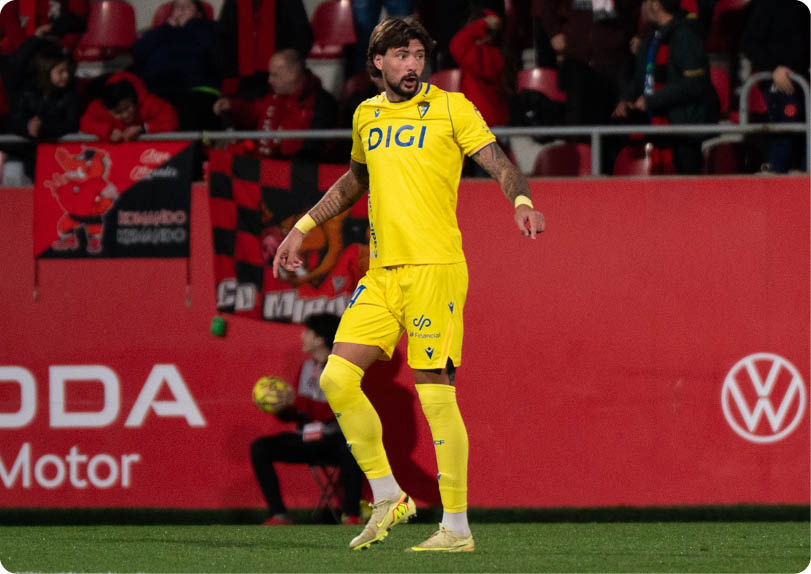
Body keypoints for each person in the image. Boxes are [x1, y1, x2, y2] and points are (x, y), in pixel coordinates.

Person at [272, 17, 544, 552]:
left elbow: (499, 163)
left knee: (435, 395)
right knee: (336, 380)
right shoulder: (366, 115)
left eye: (419, 54)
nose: (412, 64)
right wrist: (303, 227)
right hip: (382, 274)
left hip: (433, 269)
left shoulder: (451, 107)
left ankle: (457, 527)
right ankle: (387, 494)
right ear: (377, 63)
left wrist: (521, 201)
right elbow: (356, 180)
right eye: (401, 56)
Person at [250, 313, 363, 526]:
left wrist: (298, 402)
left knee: (354, 448)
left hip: (334, 439)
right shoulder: (306, 368)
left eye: (308, 332)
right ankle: (279, 514)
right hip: (306, 439)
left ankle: (351, 514)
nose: (303, 336)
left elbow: (335, 410)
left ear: (320, 339)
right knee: (260, 447)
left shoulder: (342, 368)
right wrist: (281, 408)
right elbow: (299, 413)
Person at [612, 0, 719, 174]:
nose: (642, 7)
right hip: (659, 126)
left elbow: (695, 83)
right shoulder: (653, 37)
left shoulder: (686, 35)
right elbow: (641, 78)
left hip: (685, 127)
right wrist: (625, 100)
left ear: (656, 5)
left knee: (686, 187)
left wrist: (652, 100)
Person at [212, 49, 338, 160]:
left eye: (275, 75)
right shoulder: (272, 95)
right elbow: (254, 110)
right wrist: (232, 106)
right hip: (261, 169)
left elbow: (316, 149)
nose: (270, 79)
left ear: (292, 74)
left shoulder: (321, 103)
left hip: (292, 175)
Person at [131, 0, 222, 131]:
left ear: (199, 13)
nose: (181, 10)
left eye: (187, 6)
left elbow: (213, 48)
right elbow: (138, 53)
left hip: (195, 89)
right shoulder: (160, 32)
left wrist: (192, 24)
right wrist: (165, 28)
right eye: (177, 7)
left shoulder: (208, 28)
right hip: (158, 89)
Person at [741, 0, 809, 173]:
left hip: (802, 80)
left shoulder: (801, 9)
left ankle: (803, 172)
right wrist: (774, 69)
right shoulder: (767, 7)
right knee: (789, 115)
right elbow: (749, 44)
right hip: (777, 81)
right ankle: (775, 171)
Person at [5, 37, 79, 183]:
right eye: (60, 71)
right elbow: (13, 121)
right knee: (12, 172)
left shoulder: (70, 95)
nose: (66, 75)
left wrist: (43, 127)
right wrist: (27, 126)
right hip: (28, 156)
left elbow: (72, 124)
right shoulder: (26, 93)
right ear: (46, 71)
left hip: (60, 157)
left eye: (67, 71)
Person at [216, 0, 312, 97]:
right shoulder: (233, 3)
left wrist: (288, 64)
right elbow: (223, 41)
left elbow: (302, 37)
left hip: (278, 78)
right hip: (241, 78)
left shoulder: (290, 3)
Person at [449, 7, 510, 128]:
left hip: (479, 122)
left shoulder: (482, 54)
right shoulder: (500, 54)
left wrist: (481, 24)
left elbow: (457, 43)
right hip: (498, 120)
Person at [80, 73, 179, 142]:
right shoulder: (98, 107)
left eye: (127, 108)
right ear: (108, 110)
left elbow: (172, 120)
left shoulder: (149, 103)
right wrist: (108, 131)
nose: (125, 115)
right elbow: (85, 123)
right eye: (118, 112)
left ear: (133, 100)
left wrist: (143, 128)